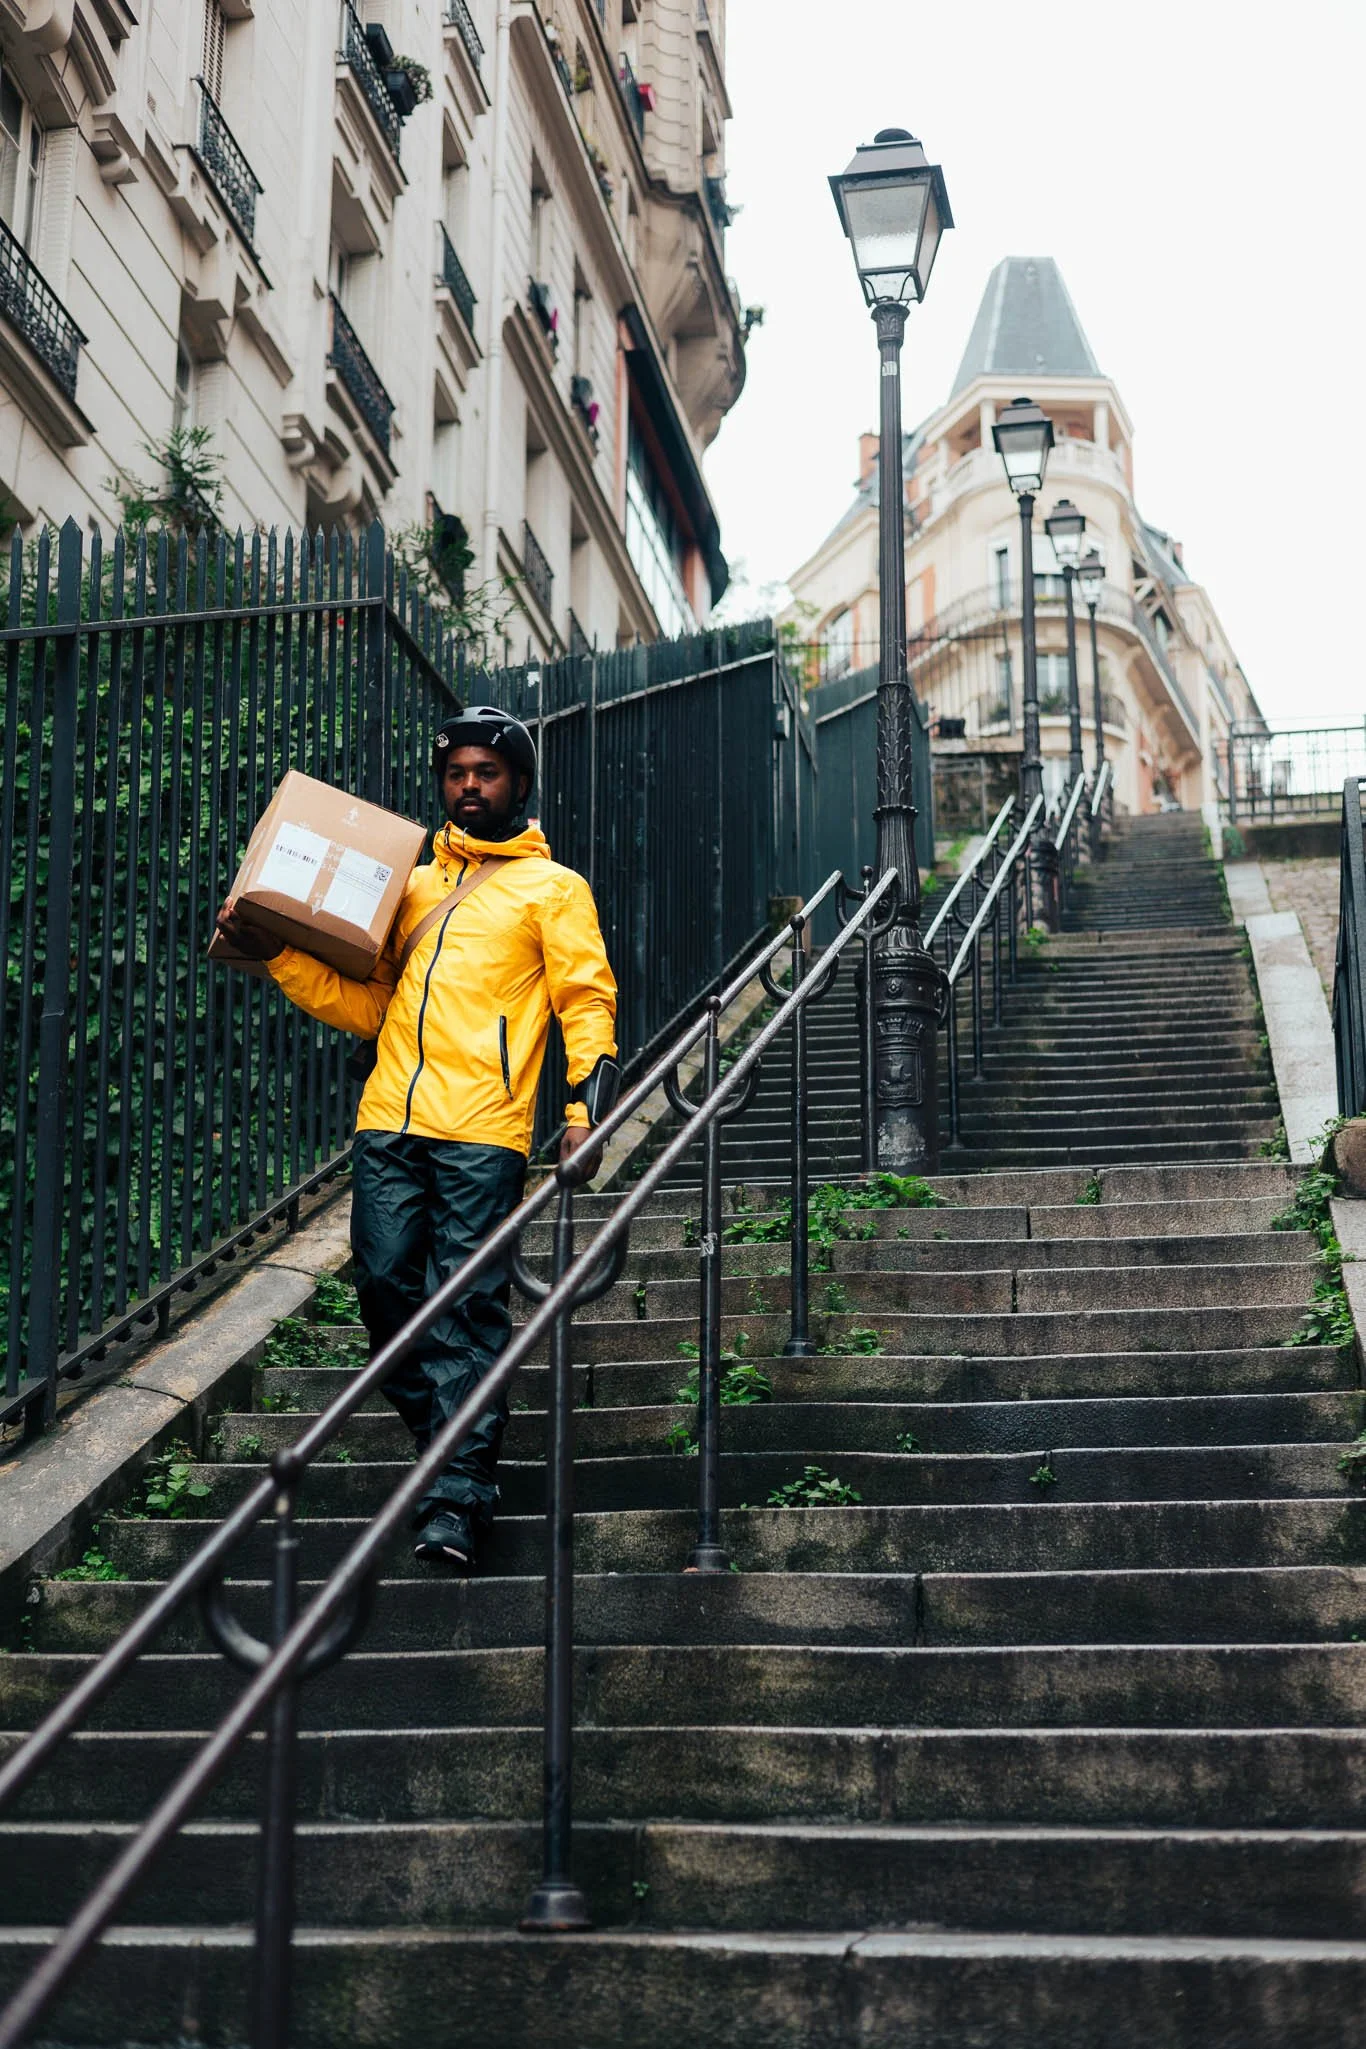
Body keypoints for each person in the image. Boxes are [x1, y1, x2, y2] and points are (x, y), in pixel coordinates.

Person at [215, 708, 619, 1573]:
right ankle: (454, 1444)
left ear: (520, 784)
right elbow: (373, 1007)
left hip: (484, 1130)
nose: (469, 785)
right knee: (386, 1290)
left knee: (465, 1308)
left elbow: (585, 998)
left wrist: (586, 1107)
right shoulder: (413, 888)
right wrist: (276, 956)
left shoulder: (555, 890)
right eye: (456, 773)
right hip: (389, 1121)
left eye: (488, 772)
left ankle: (455, 1497)